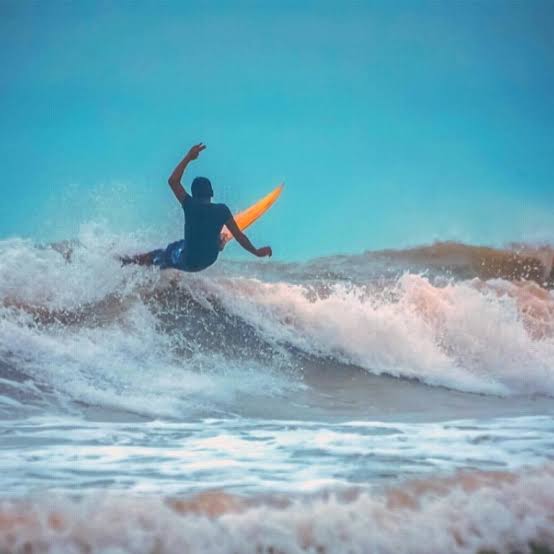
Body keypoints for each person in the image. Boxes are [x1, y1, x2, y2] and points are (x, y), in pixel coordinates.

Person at [121, 143, 272, 272]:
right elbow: (239, 237)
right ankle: (221, 240)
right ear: (212, 193)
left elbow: (173, 181)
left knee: (164, 254)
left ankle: (129, 262)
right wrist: (257, 252)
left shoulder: (190, 205)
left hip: (189, 261)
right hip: (209, 259)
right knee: (204, 240)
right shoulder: (222, 210)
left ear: (193, 195)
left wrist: (188, 157)